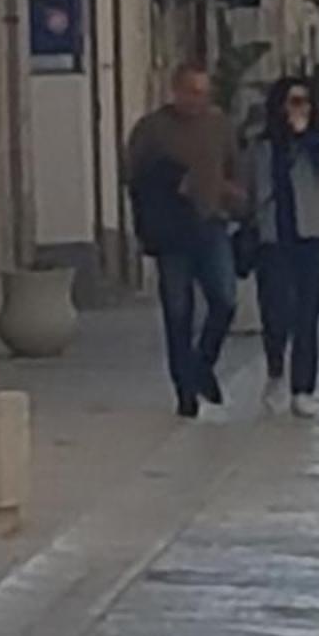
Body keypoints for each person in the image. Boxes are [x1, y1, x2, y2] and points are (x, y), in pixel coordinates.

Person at [126, 63, 244, 419]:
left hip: (211, 224)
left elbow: (234, 168)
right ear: (175, 91)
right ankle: (185, 391)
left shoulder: (220, 125)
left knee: (224, 300)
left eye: (204, 92)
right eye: (192, 91)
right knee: (178, 313)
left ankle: (202, 364)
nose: (198, 99)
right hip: (172, 231)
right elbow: (133, 177)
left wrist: (232, 195)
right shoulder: (152, 129)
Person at [245, 76, 319, 419]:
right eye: (291, 101)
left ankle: (303, 388)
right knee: (276, 313)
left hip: (315, 236)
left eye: (304, 101)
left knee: (307, 314)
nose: (298, 108)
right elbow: (253, 188)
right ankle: (275, 371)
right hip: (275, 237)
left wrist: (307, 138)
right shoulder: (262, 146)